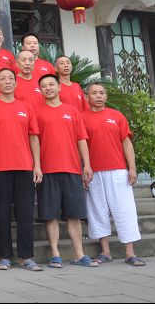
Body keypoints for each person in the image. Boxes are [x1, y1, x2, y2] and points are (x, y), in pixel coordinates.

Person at [0, 68, 43, 271]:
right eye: (3, 79)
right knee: (1, 213)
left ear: (16, 84)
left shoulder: (26, 107)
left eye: (11, 79)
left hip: (24, 166)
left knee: (25, 213)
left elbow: (33, 136)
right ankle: (4, 256)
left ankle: (27, 257)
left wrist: (37, 165)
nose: (7, 82)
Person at [34, 74, 97, 268]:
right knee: (50, 215)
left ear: (59, 87)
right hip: (47, 169)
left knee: (74, 214)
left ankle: (79, 254)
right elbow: (33, 140)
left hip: (72, 168)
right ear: (40, 90)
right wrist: (36, 165)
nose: (48, 88)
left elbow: (81, 139)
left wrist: (87, 164)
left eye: (51, 84)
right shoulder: (36, 112)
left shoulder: (72, 111)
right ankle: (55, 254)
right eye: (44, 86)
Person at [83, 82, 145, 267]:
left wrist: (132, 168)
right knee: (97, 211)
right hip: (94, 173)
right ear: (87, 97)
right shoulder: (81, 118)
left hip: (118, 171)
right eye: (94, 93)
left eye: (102, 93)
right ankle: (105, 252)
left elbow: (127, 143)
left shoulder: (117, 116)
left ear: (106, 96)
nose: (98, 96)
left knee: (125, 210)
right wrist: (83, 169)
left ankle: (130, 253)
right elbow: (79, 146)